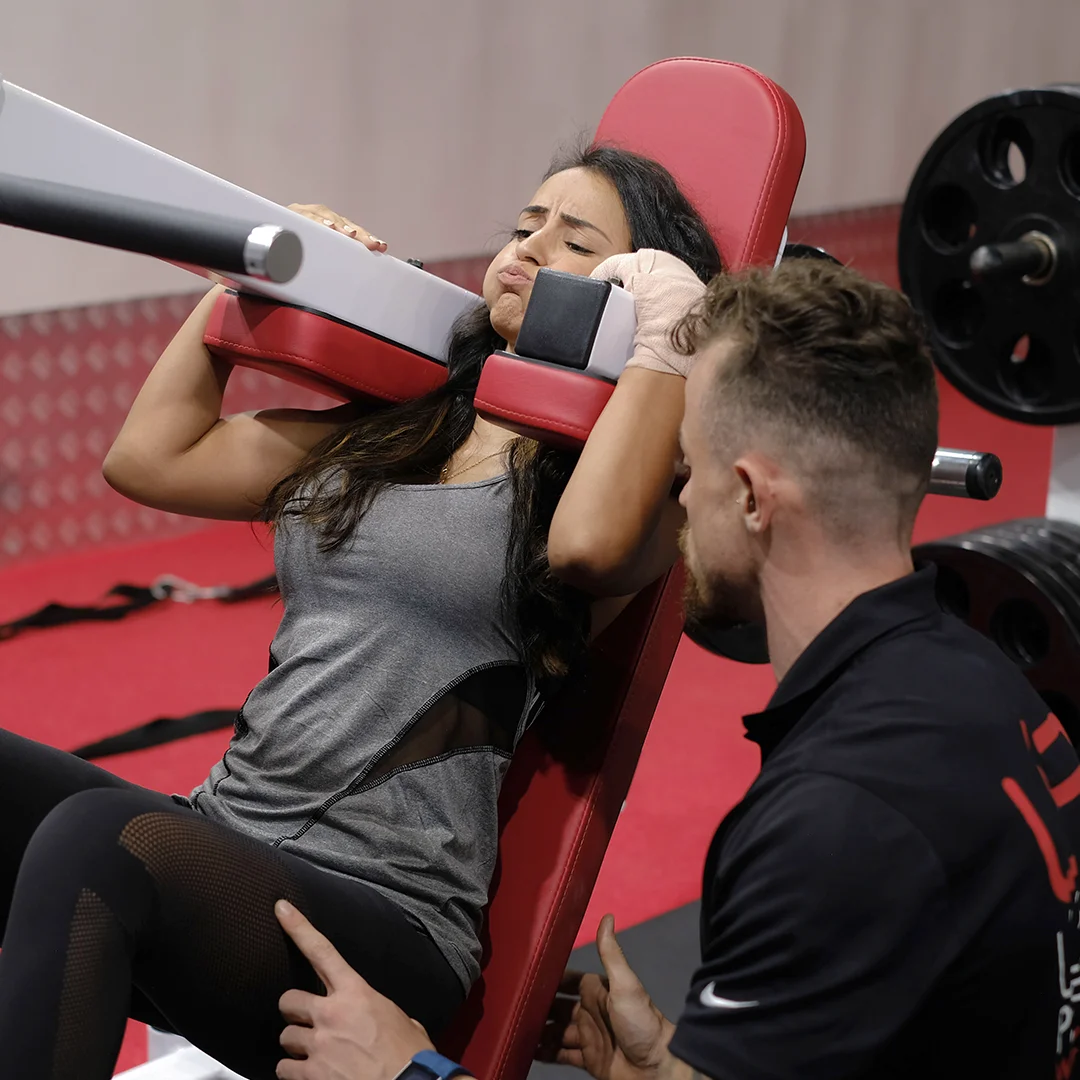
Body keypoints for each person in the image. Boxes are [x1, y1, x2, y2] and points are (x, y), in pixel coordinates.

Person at [0, 145, 720, 1080]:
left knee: (98, 843)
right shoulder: (397, 426)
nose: (530, 247)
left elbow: (590, 551)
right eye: (524, 225)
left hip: (382, 917)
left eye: (576, 242)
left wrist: (667, 335)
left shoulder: (610, 494)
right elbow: (154, 457)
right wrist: (253, 272)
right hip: (227, 840)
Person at [270, 259, 1080, 1080]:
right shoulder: (989, 690)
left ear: (754, 500)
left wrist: (407, 1073)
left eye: (685, 473)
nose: (679, 504)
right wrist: (658, 1071)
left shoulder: (839, 814)